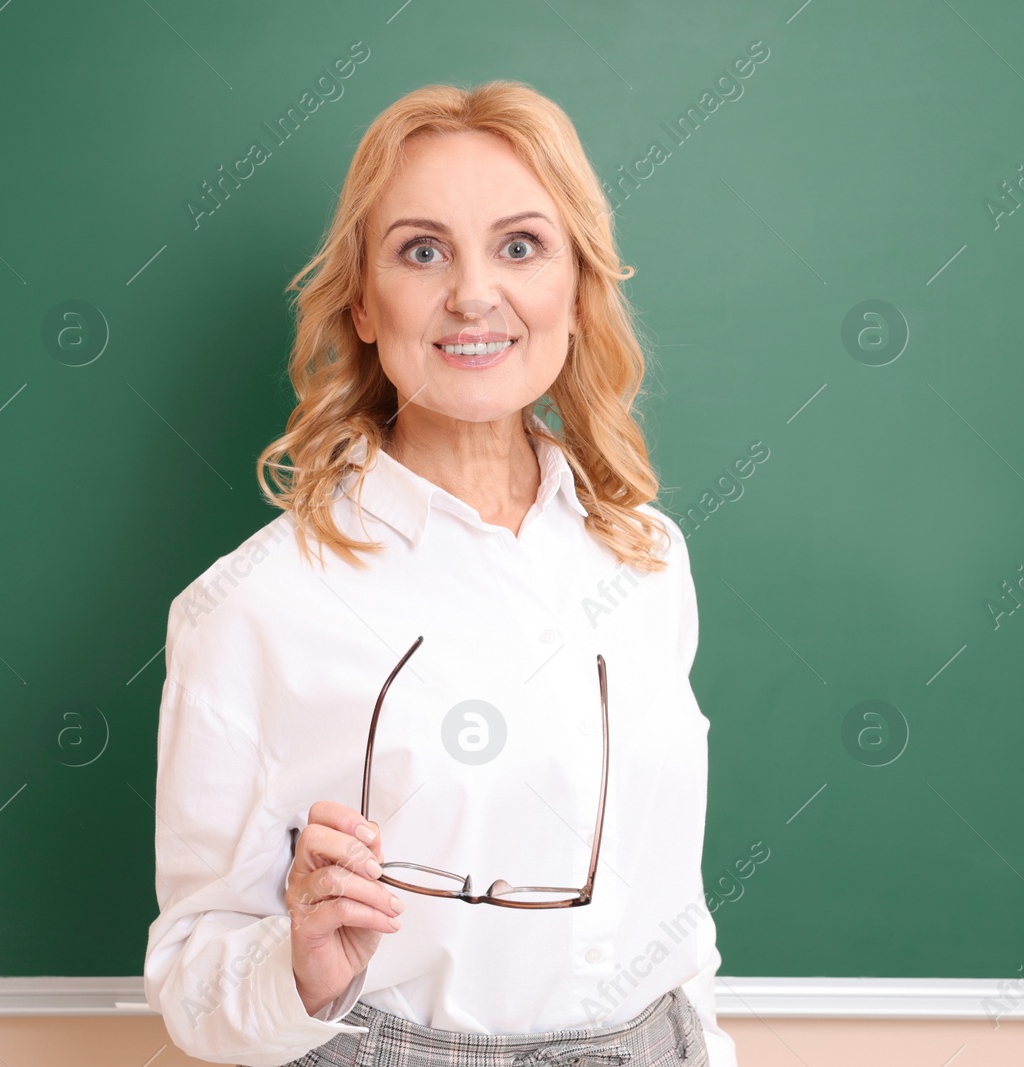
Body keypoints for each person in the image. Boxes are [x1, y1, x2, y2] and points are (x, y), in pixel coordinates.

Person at [142, 80, 737, 1067]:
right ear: (365, 304)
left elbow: (672, 902)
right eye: (422, 250)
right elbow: (194, 977)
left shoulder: (646, 556)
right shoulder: (254, 603)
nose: (473, 293)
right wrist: (300, 969)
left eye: (519, 246)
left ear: (576, 290)